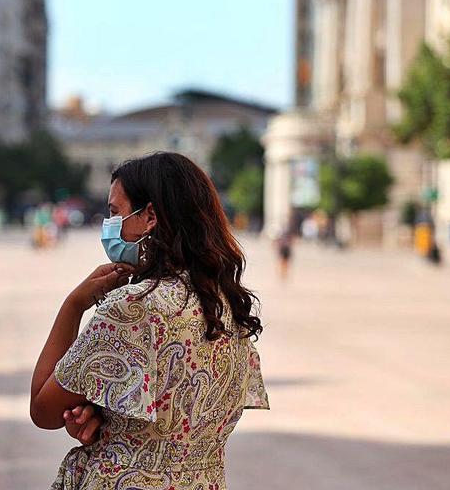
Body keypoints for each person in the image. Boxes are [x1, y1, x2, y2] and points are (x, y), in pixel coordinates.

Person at [30, 152, 270, 490]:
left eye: (115, 212)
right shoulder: (227, 305)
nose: (109, 224)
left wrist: (74, 305)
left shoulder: (131, 307)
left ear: (150, 216)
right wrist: (102, 417)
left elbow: (44, 409)